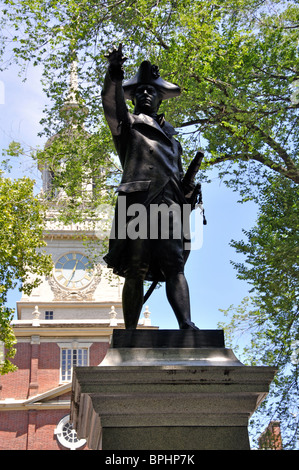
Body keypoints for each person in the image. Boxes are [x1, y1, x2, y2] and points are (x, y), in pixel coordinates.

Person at [101, 44, 199, 330]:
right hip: (138, 203)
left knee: (175, 265)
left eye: (151, 91)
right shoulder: (127, 125)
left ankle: (186, 324)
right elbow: (110, 103)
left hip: (169, 206)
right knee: (136, 266)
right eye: (140, 91)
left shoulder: (173, 140)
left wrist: (188, 193)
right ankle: (130, 331)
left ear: (159, 99)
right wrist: (114, 75)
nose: (145, 94)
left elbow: (177, 178)